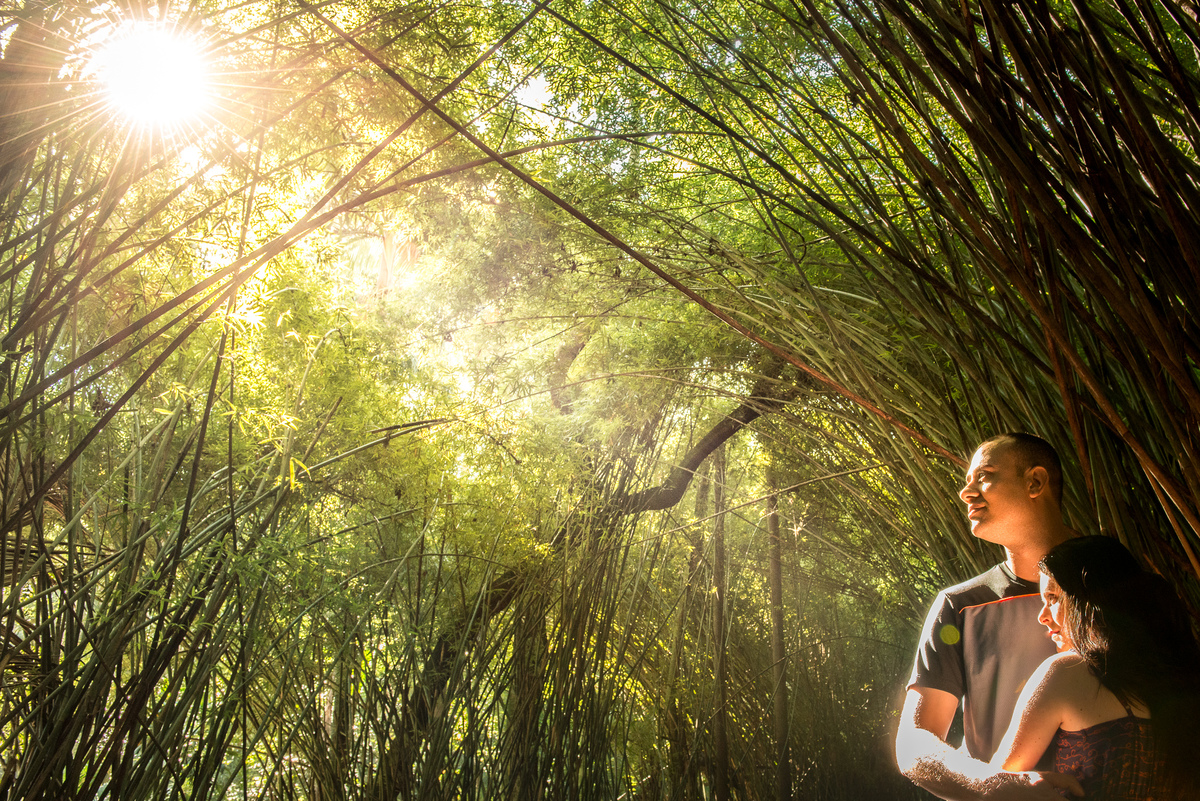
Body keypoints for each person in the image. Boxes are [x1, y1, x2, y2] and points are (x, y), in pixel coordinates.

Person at [895, 433, 1082, 800]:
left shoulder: (1118, 586)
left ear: (1035, 482)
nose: (966, 493)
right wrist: (995, 785)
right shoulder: (961, 605)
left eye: (984, 476)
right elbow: (914, 743)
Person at [990, 535, 1200, 799]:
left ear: (1088, 600)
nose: (1041, 616)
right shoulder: (1187, 680)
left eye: (1053, 597)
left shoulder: (1066, 672)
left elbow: (995, 787)